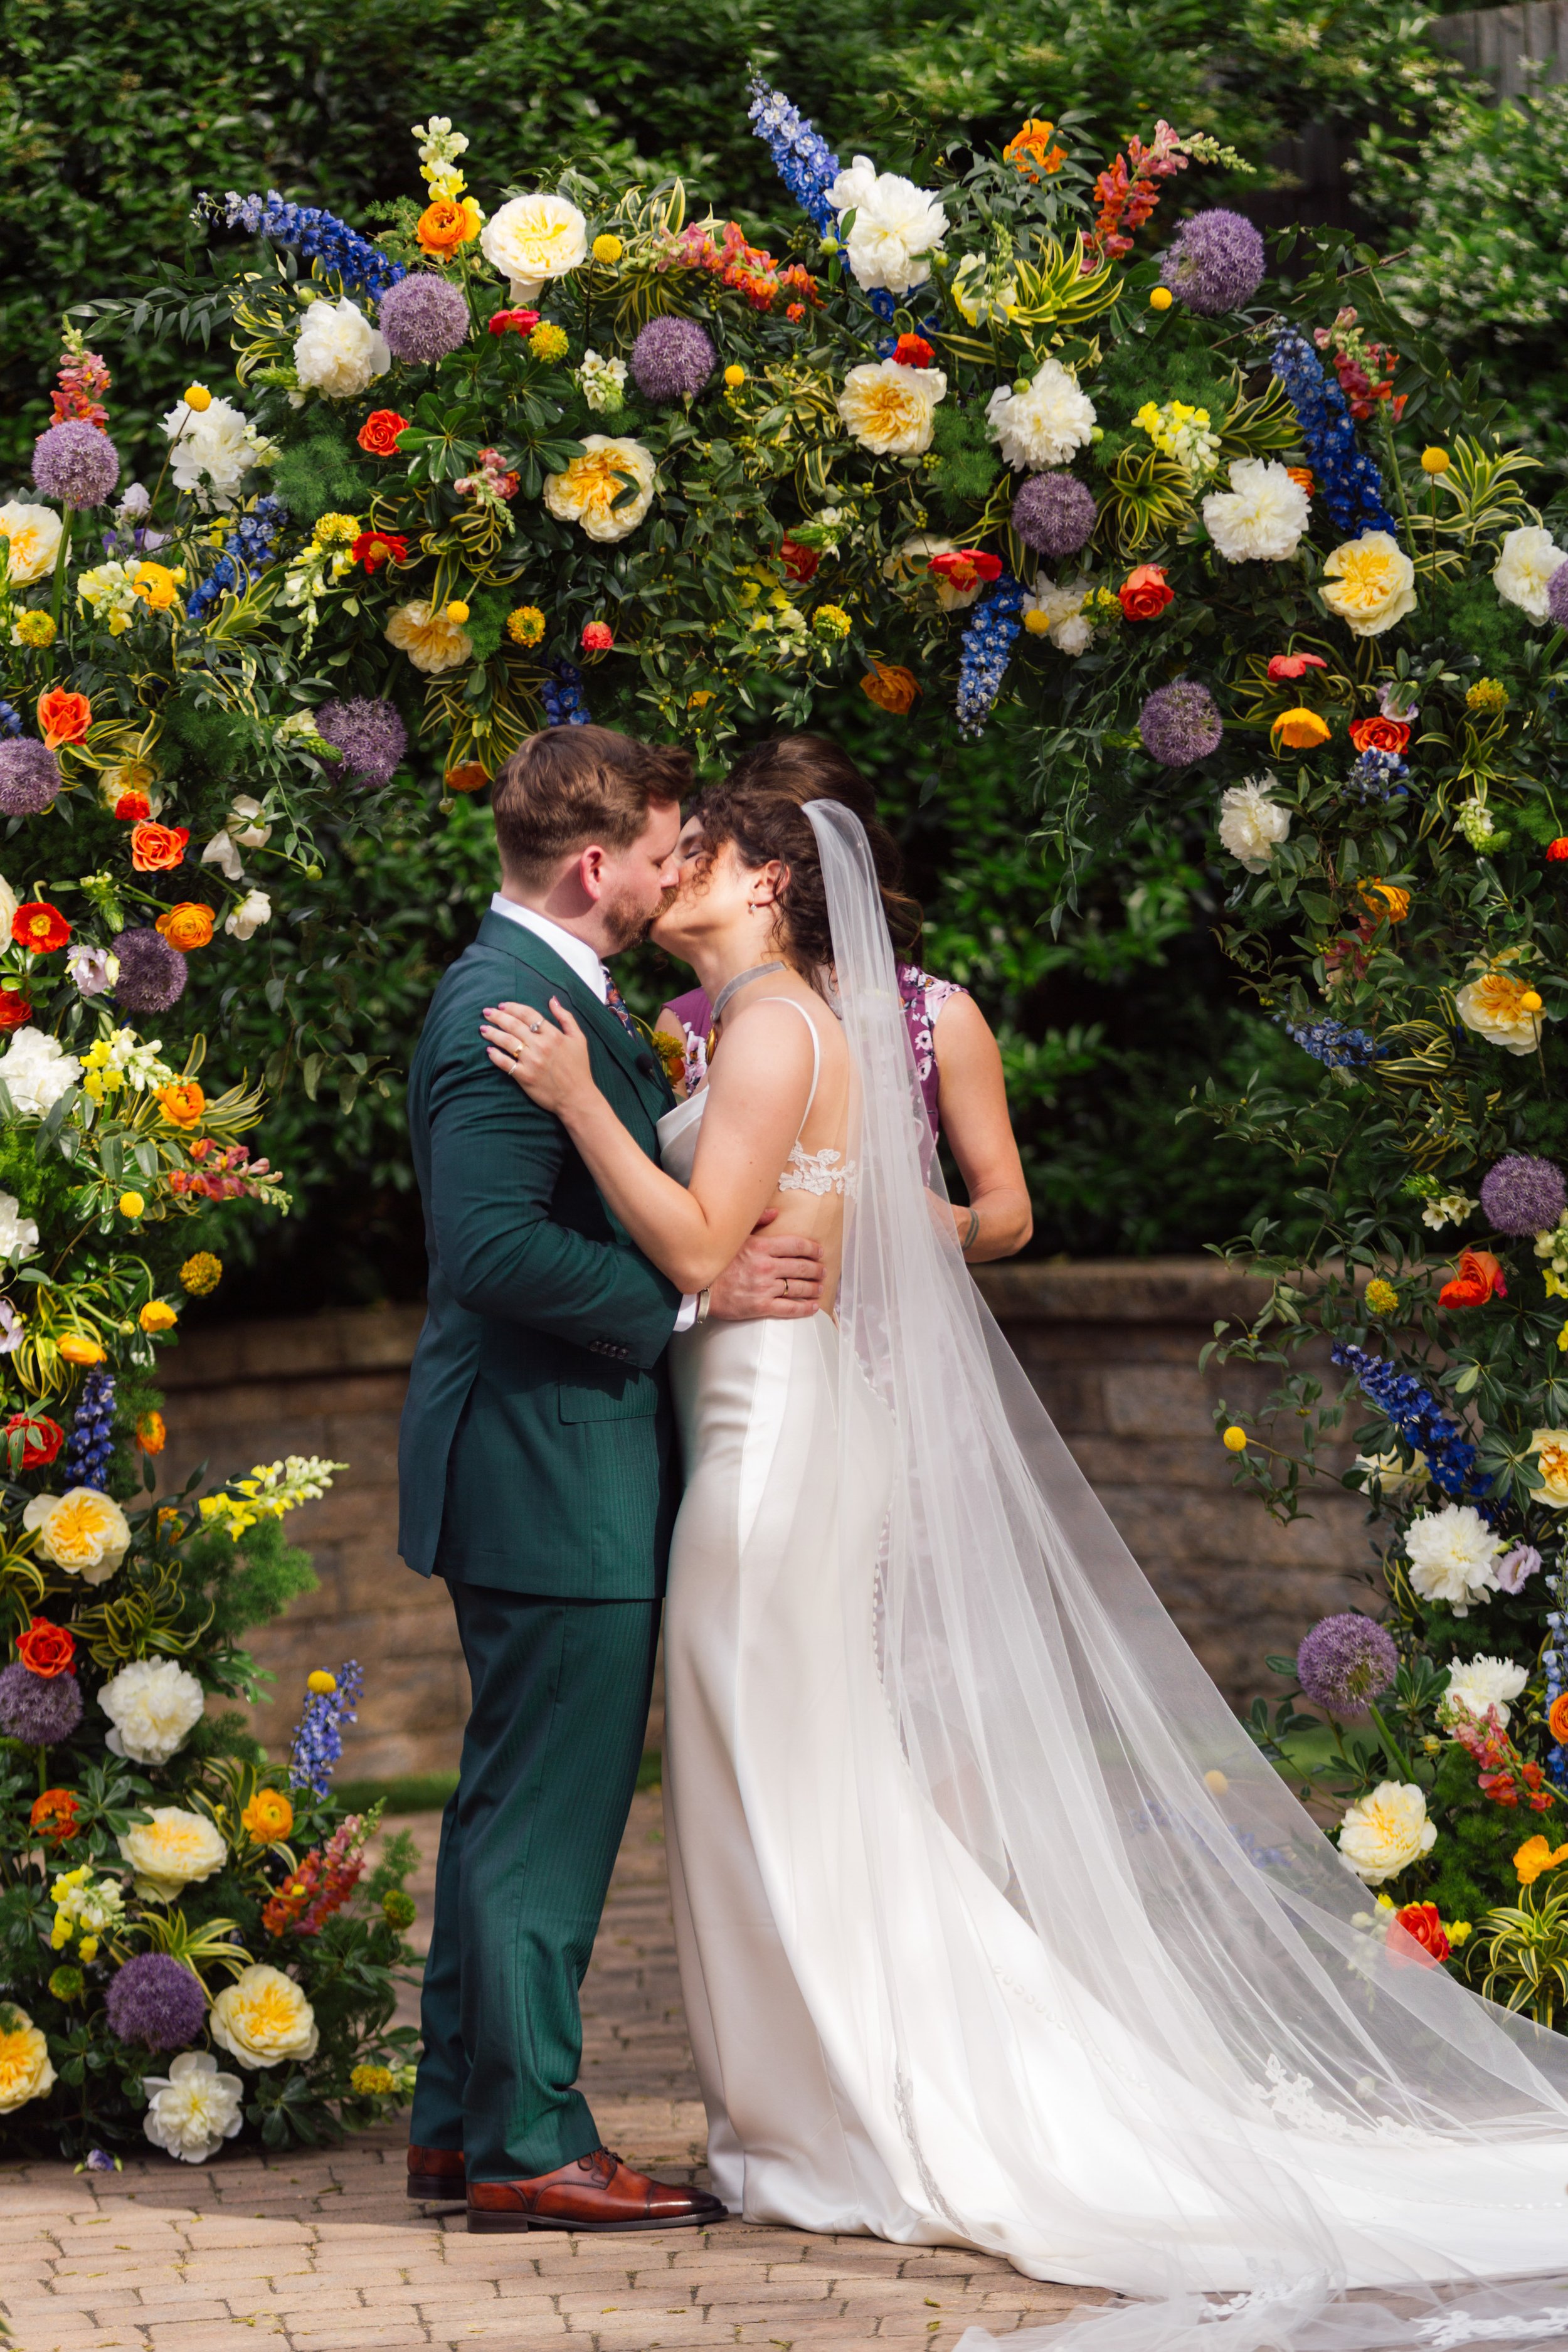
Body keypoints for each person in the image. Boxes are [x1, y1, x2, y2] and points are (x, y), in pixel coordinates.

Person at [482, 768, 1568, 2352]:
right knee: (785, 1774)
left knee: (778, 1772)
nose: (668, 871)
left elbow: (710, 1244)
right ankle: (814, 2105)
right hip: (757, 1417)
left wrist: (582, 1100)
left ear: (772, 883)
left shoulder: (780, 1027)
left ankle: (840, 2117)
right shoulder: (758, 1028)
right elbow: (746, 1241)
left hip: (775, 1444)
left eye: (698, 852)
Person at [396, 725, 830, 2236]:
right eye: (659, 853)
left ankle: (460, 2121)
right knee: (548, 1817)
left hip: (549, 1454)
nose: (669, 876)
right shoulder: (501, 1012)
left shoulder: (558, 997)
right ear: (598, 864)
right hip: (542, 1463)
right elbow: (492, 1248)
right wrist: (695, 1305)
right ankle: (530, 2140)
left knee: (509, 1797)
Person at [654, 734, 1030, 1264]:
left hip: (889, 1328)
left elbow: (1012, 1215)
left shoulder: (939, 1015)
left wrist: (943, 1221)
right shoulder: (685, 1023)